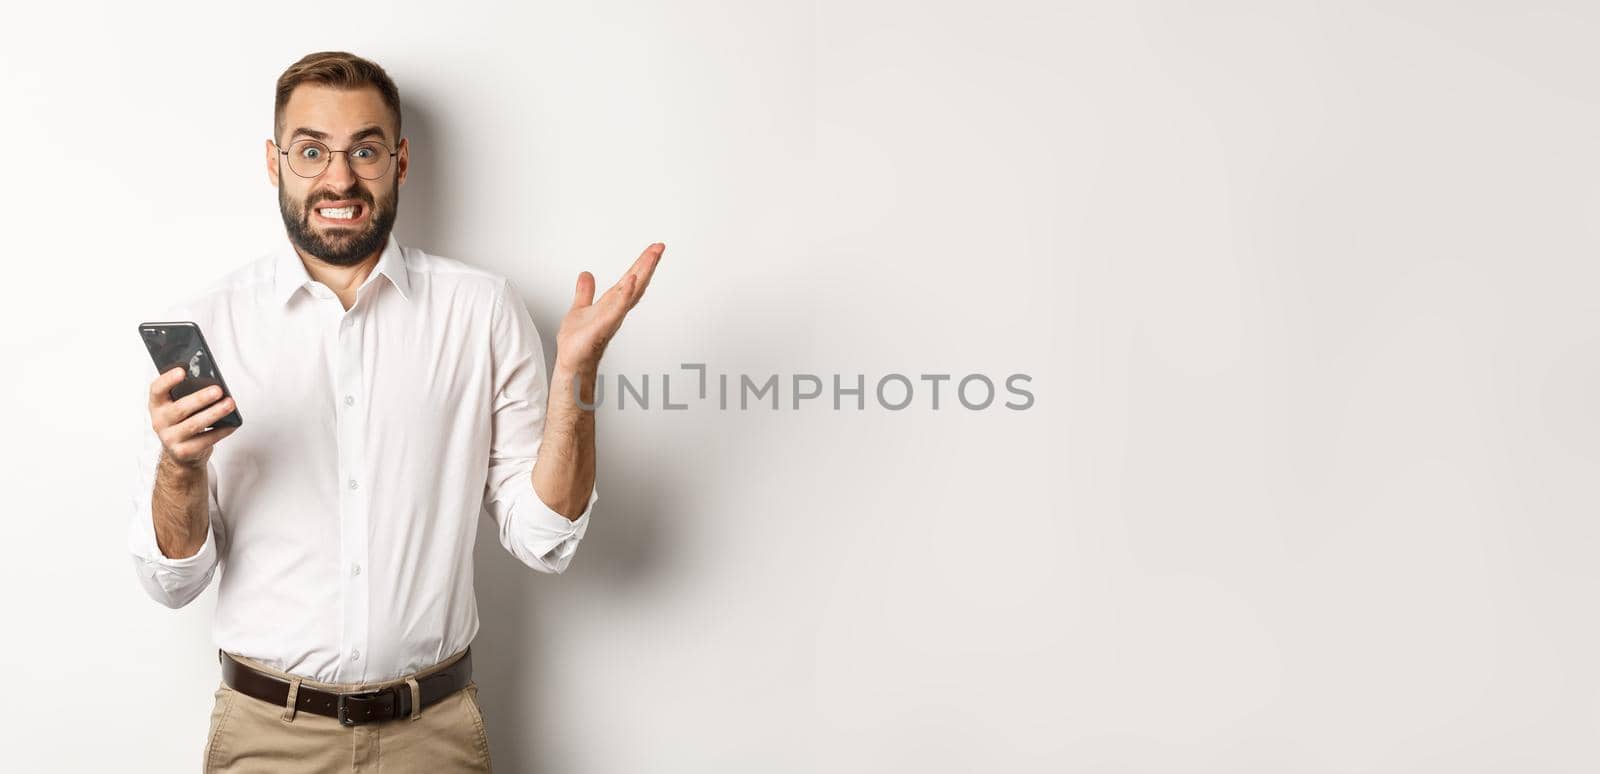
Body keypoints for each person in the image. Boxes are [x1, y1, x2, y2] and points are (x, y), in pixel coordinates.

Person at [126, 50, 662, 772]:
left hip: (431, 737)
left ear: (400, 161)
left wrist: (576, 377)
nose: (339, 178)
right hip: (266, 738)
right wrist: (180, 465)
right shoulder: (210, 325)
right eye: (311, 151)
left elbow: (545, 540)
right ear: (274, 161)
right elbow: (172, 581)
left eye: (365, 150)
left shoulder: (482, 311)